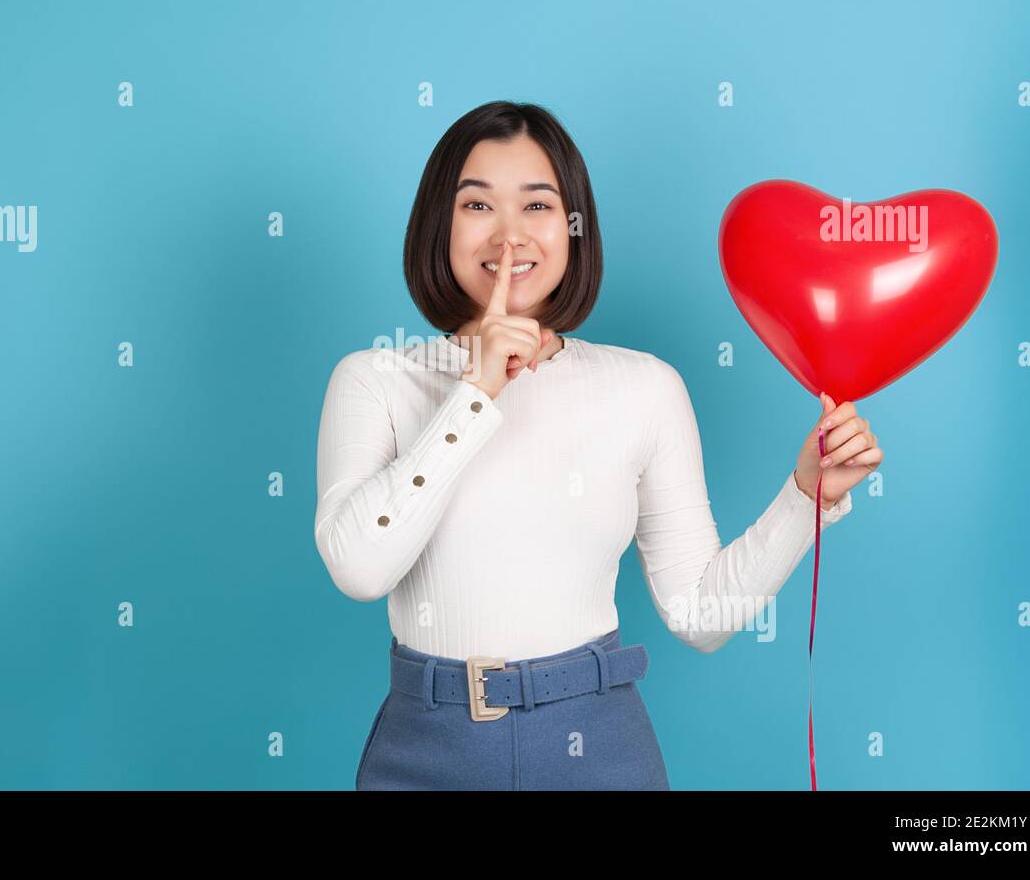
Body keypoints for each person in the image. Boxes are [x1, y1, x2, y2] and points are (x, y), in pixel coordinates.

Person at [313, 101, 883, 790]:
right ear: (440, 224)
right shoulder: (373, 379)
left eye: (538, 206)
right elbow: (359, 569)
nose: (509, 234)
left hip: (597, 750)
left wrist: (806, 499)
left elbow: (702, 615)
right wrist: (476, 392)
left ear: (573, 228)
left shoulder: (643, 388)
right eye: (476, 206)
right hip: (426, 751)